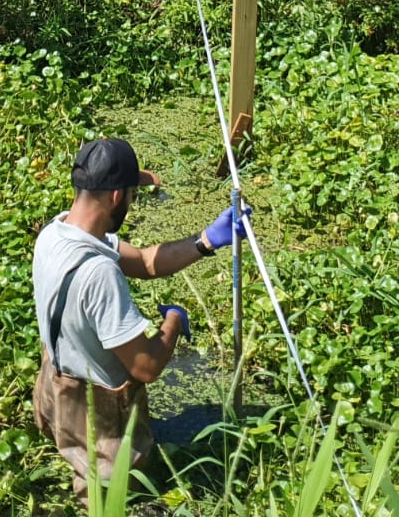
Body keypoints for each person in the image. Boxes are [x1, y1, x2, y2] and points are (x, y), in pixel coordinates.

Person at [32, 137, 243, 502]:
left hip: (56, 390)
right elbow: (146, 366)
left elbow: (145, 262)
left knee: (78, 462)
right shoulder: (98, 274)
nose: (133, 201)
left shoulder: (55, 233)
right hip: (100, 417)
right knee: (113, 497)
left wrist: (206, 240)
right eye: (133, 193)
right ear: (117, 197)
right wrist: (173, 322)